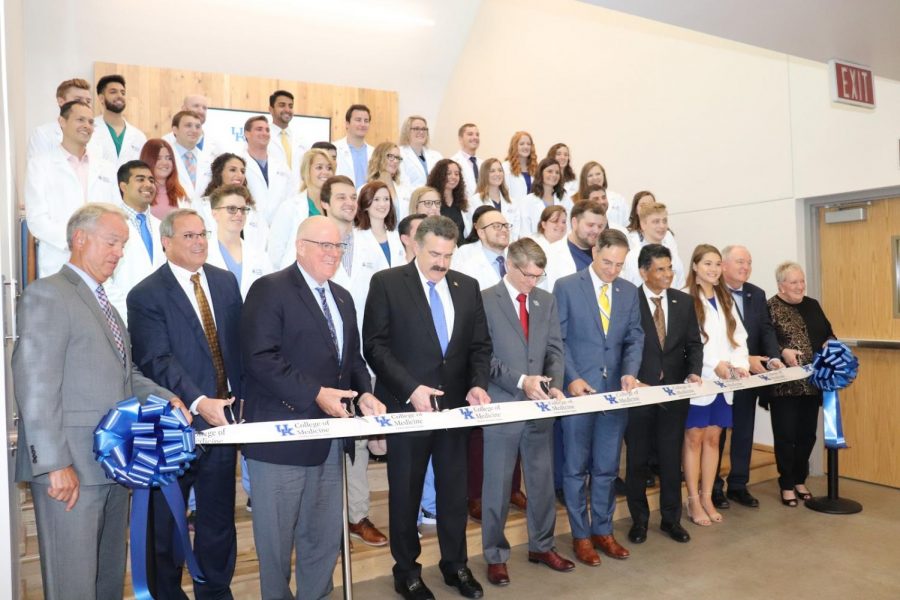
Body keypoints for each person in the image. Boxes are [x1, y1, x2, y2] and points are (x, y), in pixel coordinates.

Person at [12, 203, 180, 600]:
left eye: (122, 244)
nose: (118, 252)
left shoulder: (106, 305)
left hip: (112, 468)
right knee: (73, 585)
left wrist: (166, 398)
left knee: (106, 584)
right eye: (112, 242)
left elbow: (126, 375)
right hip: (70, 473)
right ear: (79, 238)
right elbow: (35, 384)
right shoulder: (48, 295)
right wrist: (54, 464)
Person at [241, 216, 386, 599]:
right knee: (275, 545)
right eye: (324, 245)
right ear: (300, 246)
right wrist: (316, 393)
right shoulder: (269, 289)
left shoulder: (341, 296)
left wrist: (365, 392)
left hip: (331, 441)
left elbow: (352, 360)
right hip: (280, 441)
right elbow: (260, 357)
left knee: (322, 538)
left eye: (338, 246)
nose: (332, 253)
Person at [363, 215, 492, 600]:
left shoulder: (467, 287)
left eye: (448, 255)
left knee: (454, 494)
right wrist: (409, 389)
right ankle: (407, 571)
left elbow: (480, 347)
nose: (441, 262)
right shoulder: (387, 283)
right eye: (434, 253)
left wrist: (477, 386)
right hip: (407, 408)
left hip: (455, 410)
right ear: (415, 246)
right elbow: (375, 345)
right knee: (406, 493)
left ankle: (456, 565)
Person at [127, 208, 243, 599]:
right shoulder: (145, 294)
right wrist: (198, 401)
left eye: (202, 234)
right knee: (165, 523)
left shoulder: (225, 283)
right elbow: (156, 360)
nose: (199, 242)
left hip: (223, 423)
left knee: (218, 518)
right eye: (189, 236)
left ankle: (215, 589)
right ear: (166, 242)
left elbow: (236, 349)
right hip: (173, 424)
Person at [480, 238, 574, 586]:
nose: (532, 282)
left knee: (541, 482)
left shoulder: (545, 300)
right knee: (498, 487)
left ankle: (542, 546)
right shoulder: (485, 300)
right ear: (509, 265)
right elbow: (483, 357)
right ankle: (495, 555)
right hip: (503, 405)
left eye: (538, 275)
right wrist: (522, 381)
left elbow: (554, 349)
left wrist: (553, 385)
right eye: (527, 275)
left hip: (540, 405)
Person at [553, 228, 643, 566]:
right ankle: (580, 536)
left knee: (605, 468)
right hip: (579, 393)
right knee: (575, 470)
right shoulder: (566, 286)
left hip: (615, 396)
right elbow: (558, 340)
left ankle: (603, 531)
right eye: (607, 262)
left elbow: (634, 337)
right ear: (594, 252)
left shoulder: (628, 291)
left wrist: (630, 372)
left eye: (619, 265)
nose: (612, 270)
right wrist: (572, 378)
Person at [625, 244, 703, 546]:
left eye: (669, 268)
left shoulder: (683, 302)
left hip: (674, 394)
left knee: (671, 461)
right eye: (660, 269)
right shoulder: (629, 300)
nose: (668, 274)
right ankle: (639, 522)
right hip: (640, 393)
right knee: (637, 461)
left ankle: (671, 520)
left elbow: (694, 344)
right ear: (644, 272)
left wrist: (694, 371)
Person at [712, 245, 784, 509]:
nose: (745, 267)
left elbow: (765, 329)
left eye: (749, 263)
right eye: (740, 262)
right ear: (724, 264)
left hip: (748, 377)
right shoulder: (711, 291)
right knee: (716, 435)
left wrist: (773, 356)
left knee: (743, 431)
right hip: (719, 376)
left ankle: (738, 485)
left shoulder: (756, 293)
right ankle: (713, 487)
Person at [682, 244, 749, 527]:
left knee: (713, 438)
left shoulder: (726, 299)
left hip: (725, 382)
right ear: (695, 266)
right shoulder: (686, 299)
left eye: (717, 264)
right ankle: (693, 500)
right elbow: (691, 342)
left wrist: (738, 364)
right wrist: (715, 365)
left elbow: (738, 337)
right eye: (707, 263)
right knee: (694, 438)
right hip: (701, 380)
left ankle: (707, 495)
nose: (714, 269)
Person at [25, 100, 120, 278]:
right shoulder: (40, 165)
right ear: (62, 121)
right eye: (80, 120)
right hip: (59, 257)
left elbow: (116, 212)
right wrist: (77, 242)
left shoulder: (106, 168)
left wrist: (102, 244)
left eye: (91, 122)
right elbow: (37, 220)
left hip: (101, 259)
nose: (87, 126)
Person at [766, 262, 835, 507]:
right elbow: (764, 343)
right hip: (785, 387)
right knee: (786, 436)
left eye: (801, 281)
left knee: (807, 435)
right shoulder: (771, 307)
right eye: (793, 282)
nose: (799, 286)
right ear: (781, 286)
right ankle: (786, 484)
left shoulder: (813, 305)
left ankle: (799, 480)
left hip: (813, 384)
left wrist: (829, 343)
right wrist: (782, 351)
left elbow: (829, 332)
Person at [106, 160, 166, 321]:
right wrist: (122, 312)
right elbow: (102, 278)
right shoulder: (107, 224)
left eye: (151, 180)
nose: (148, 184)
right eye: (140, 179)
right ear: (123, 186)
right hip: (121, 315)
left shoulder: (162, 226)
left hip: (161, 317)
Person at [268, 148, 336, 267]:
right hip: (294, 276)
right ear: (307, 171)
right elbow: (275, 252)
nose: (325, 172)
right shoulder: (290, 207)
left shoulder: (334, 207)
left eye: (329, 168)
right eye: (319, 167)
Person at [206, 184, 274, 299]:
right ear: (215, 214)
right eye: (231, 209)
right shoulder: (203, 254)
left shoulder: (260, 256)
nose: (239, 214)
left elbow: (271, 295)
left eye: (243, 209)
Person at [197, 152, 268, 253]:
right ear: (219, 173)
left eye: (242, 171)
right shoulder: (202, 207)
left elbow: (264, 242)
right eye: (232, 170)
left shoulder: (253, 211)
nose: (239, 175)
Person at [543, 200, 607, 291]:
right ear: (574, 223)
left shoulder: (606, 253)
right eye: (590, 225)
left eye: (600, 226)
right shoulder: (550, 255)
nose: (596, 231)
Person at [241, 115, 292, 225]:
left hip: (279, 226)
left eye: (267, 130)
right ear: (247, 133)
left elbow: (290, 198)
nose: (264, 133)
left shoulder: (282, 166)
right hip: (249, 226)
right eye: (259, 129)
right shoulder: (238, 164)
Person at [622, 201, 686, 288]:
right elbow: (630, 290)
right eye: (656, 222)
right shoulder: (634, 257)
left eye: (664, 221)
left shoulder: (673, 256)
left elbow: (681, 288)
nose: (662, 226)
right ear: (643, 224)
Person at [27, 77, 92, 160]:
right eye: (78, 99)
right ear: (61, 101)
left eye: (88, 101)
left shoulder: (95, 135)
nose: (84, 104)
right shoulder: (43, 135)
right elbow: (37, 169)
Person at [88, 74, 147, 166]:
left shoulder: (138, 136)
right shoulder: (89, 129)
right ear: (101, 98)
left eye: (123, 93)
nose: (120, 96)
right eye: (113, 92)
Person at [465, 157, 523, 240]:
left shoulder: (512, 202)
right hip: (483, 248)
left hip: (508, 248)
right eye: (492, 171)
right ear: (484, 174)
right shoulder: (474, 201)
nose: (497, 174)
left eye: (500, 170)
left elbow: (516, 232)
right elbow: (470, 230)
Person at [162, 94, 228, 158]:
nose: (201, 111)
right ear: (184, 109)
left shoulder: (216, 145)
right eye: (196, 106)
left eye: (204, 108)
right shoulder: (165, 142)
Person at [140, 138, 189, 220]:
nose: (165, 163)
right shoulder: (138, 191)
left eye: (168, 158)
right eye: (158, 158)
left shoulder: (181, 191)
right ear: (148, 160)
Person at [169, 110, 212, 201]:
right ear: (175, 129)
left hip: (200, 213)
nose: (194, 130)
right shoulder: (165, 157)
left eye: (198, 127)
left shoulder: (208, 160)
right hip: (173, 211)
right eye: (188, 125)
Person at [520, 157, 569, 235]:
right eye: (550, 171)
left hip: (560, 244)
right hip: (535, 245)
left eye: (557, 172)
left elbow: (569, 227)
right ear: (540, 173)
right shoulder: (527, 201)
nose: (554, 175)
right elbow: (525, 232)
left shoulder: (564, 198)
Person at [267, 89, 308, 183]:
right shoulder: (263, 137)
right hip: (273, 192)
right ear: (271, 109)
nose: (287, 110)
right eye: (282, 105)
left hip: (297, 193)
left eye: (290, 106)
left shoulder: (301, 139)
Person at [572, 161, 628, 228]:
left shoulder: (618, 198)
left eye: (598, 174)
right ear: (584, 179)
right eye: (590, 175)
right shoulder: (575, 199)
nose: (595, 178)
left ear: (603, 176)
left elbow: (627, 224)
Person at [369, 141, 413, 219]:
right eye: (391, 156)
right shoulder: (365, 189)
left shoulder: (405, 190)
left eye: (398, 158)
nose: (395, 161)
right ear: (379, 158)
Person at [427, 159, 468, 243]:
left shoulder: (462, 202)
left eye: (456, 174)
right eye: (448, 173)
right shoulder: (430, 201)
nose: (453, 177)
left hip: (462, 251)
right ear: (439, 175)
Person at [334, 104, 374, 186]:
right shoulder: (335, 149)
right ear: (347, 124)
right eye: (358, 120)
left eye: (366, 121)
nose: (362, 124)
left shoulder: (375, 152)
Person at [399, 115, 443, 188]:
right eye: (416, 129)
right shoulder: (399, 154)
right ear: (406, 131)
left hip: (435, 197)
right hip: (411, 198)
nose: (421, 132)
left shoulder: (436, 156)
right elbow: (401, 183)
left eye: (424, 129)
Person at [449, 123, 482, 201]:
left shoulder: (482, 163)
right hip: (462, 208)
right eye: (470, 134)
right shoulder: (453, 162)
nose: (475, 137)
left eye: (477, 135)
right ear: (460, 139)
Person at [502, 131, 537, 203]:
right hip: (513, 211)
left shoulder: (536, 168)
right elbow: (503, 194)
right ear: (515, 146)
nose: (526, 146)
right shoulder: (506, 167)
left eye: (528, 144)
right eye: (522, 144)